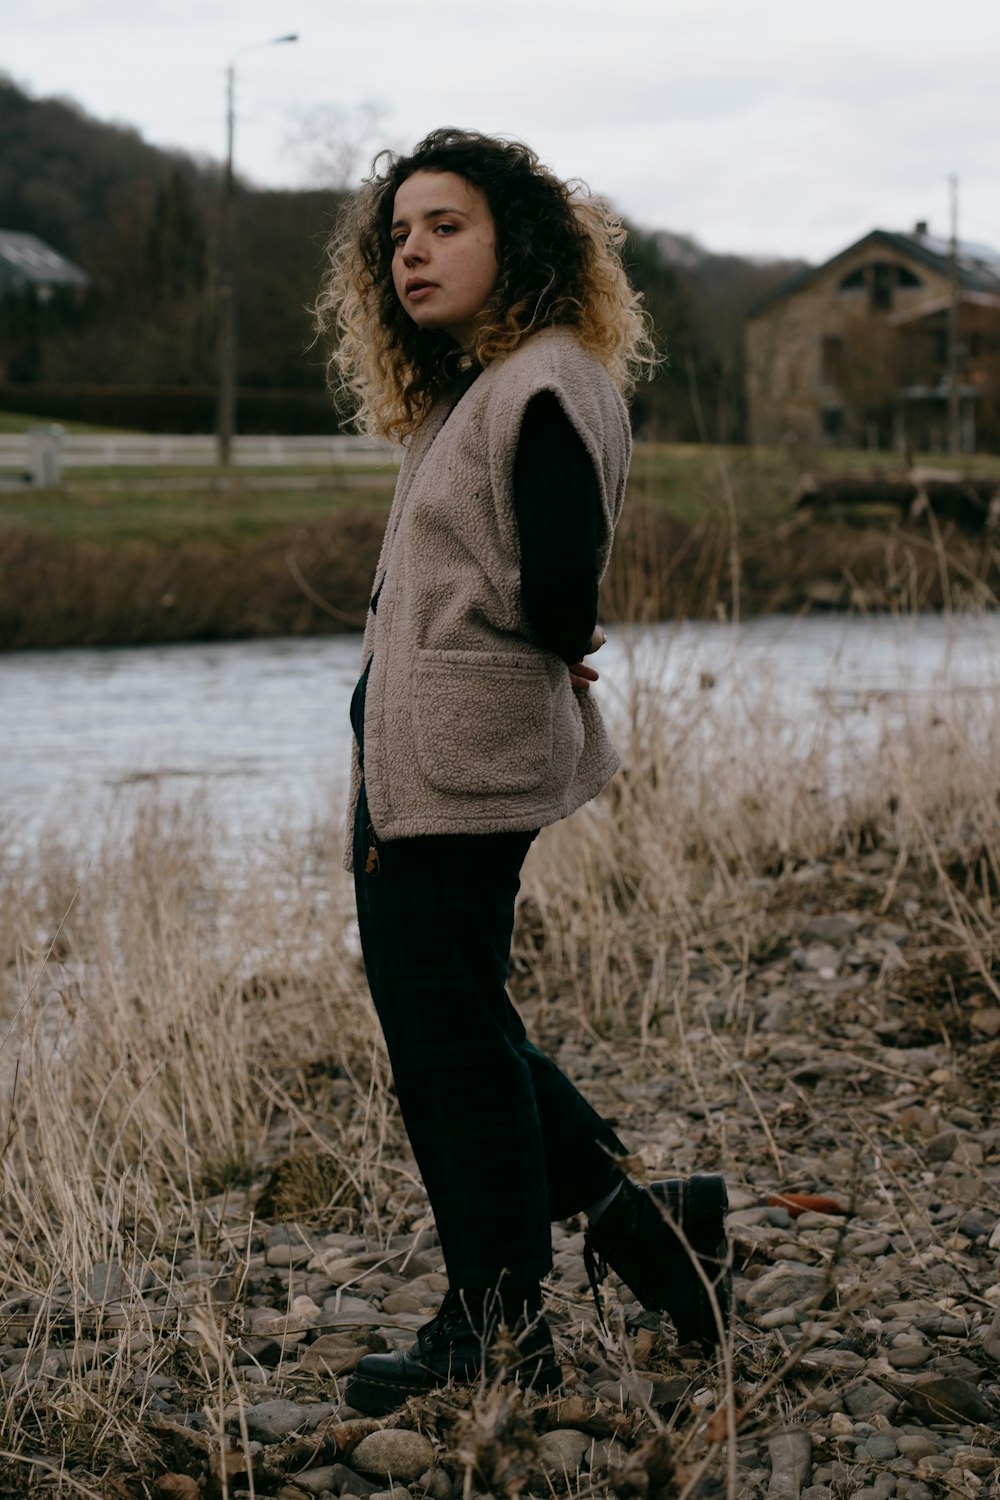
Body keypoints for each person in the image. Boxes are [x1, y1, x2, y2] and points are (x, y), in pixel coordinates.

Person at [314, 128, 730, 1416]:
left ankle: (496, 1324)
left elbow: (560, 583)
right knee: (463, 1023)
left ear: (517, 243)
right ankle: (639, 1223)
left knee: (446, 1043)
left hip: (455, 766)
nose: (414, 253)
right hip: (442, 756)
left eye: (447, 226)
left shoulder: (542, 380)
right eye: (399, 236)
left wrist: (565, 642)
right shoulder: (484, 385)